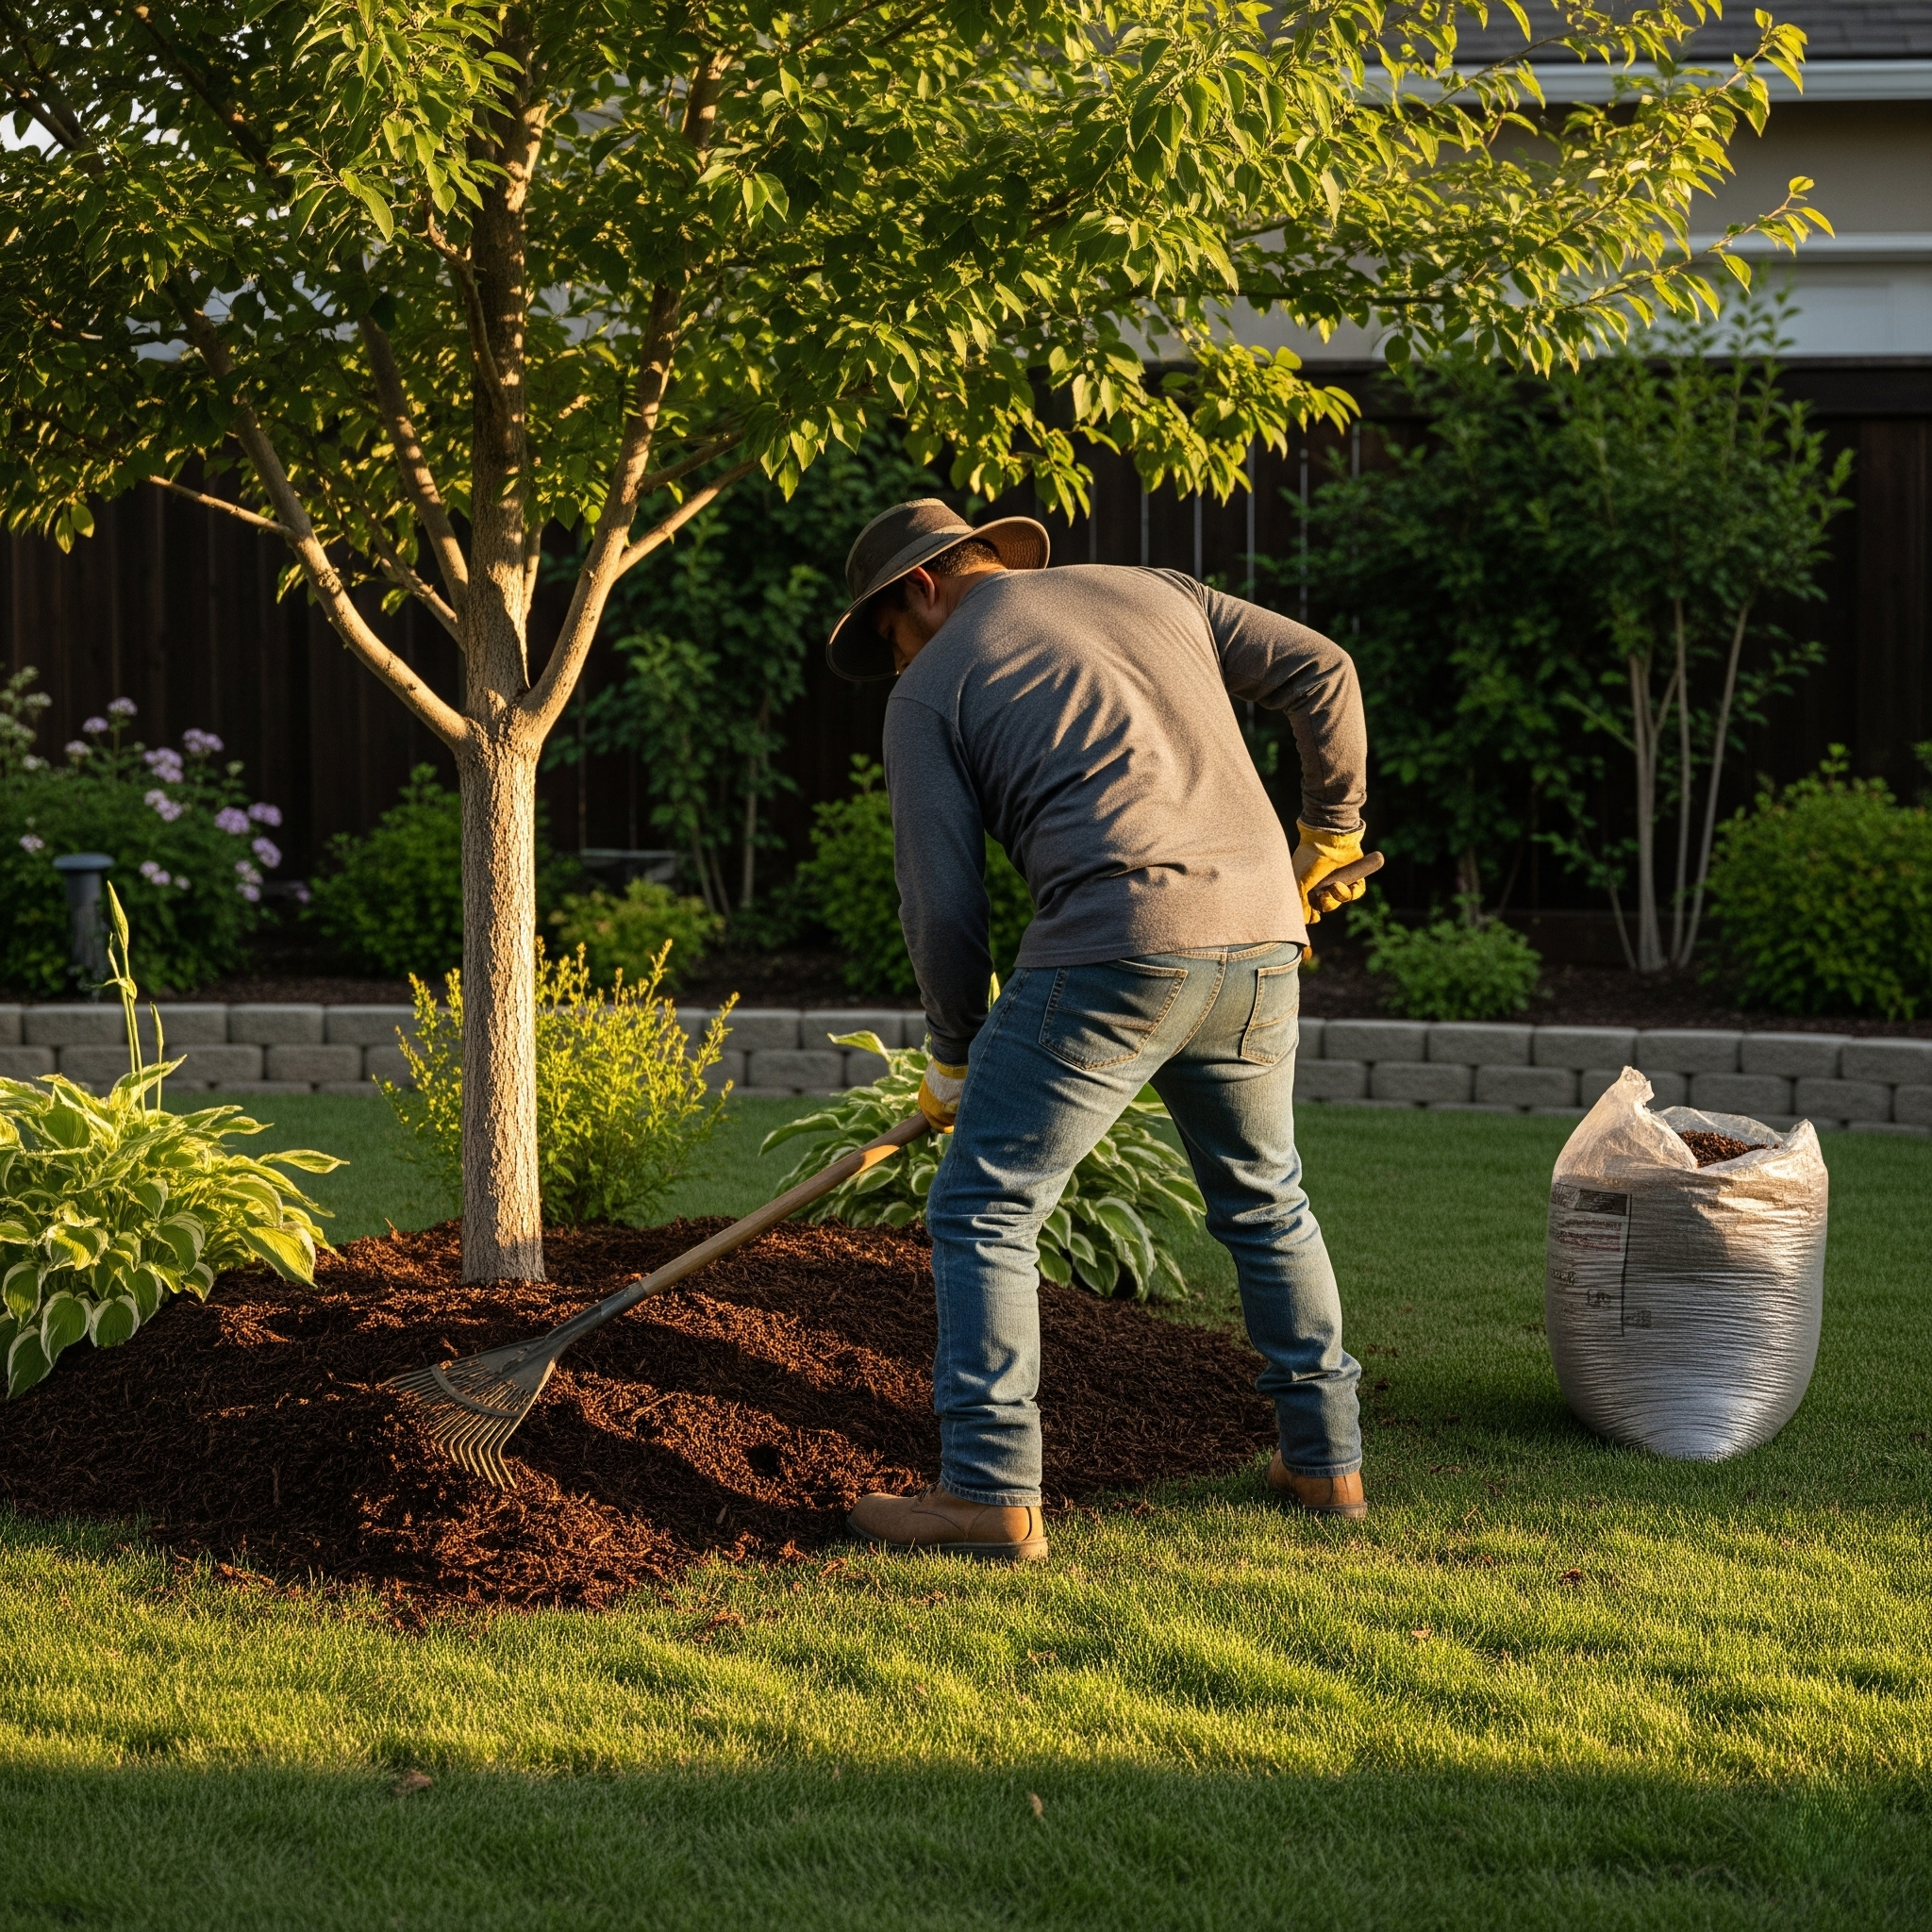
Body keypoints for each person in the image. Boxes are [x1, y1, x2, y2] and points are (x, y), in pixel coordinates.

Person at [826, 498, 1371, 1564]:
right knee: (1266, 1197)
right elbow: (1325, 666)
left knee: (984, 1207)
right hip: (1263, 934)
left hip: (1112, 940)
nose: (898, 662)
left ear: (919, 589)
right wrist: (1332, 830)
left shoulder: (929, 686)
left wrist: (952, 1049)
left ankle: (987, 1493)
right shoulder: (1156, 590)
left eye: (888, 638)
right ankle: (1324, 1457)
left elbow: (940, 903)